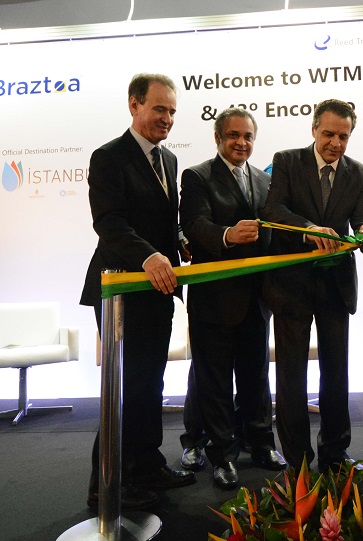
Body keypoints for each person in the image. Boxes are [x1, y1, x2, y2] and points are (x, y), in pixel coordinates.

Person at [80, 73, 195, 510]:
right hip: (119, 292)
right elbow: (109, 222)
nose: (166, 118)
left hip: (158, 292)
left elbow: (164, 219)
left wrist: (179, 239)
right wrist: (149, 256)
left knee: (150, 384)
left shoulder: (168, 160)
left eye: (171, 112)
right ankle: (104, 484)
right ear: (134, 105)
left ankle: (147, 466)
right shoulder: (108, 157)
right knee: (123, 388)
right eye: (158, 109)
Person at [261, 99, 363, 473]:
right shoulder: (286, 160)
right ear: (314, 130)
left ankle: (335, 455)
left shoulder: (359, 172)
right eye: (328, 134)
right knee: (291, 376)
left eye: (343, 136)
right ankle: (297, 460)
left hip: (335, 286)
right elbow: (273, 211)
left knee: (336, 373)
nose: (335, 143)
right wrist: (309, 230)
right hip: (291, 287)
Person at [179, 108, 287, 489]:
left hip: (258, 298)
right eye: (233, 136)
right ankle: (222, 455)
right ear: (218, 138)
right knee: (215, 381)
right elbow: (193, 225)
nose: (241, 142)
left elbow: (274, 230)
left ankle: (260, 443)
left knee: (257, 376)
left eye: (247, 136)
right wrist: (228, 235)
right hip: (214, 300)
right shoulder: (197, 176)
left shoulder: (264, 178)